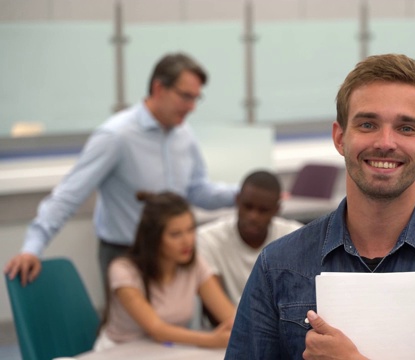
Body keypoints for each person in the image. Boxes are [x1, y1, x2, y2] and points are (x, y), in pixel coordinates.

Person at [226, 54, 415, 359]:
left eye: (406, 128)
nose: (385, 142)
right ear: (340, 138)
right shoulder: (278, 266)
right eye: (368, 124)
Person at [4, 52, 237, 286]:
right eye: (186, 97)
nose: (192, 107)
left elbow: (196, 191)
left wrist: (242, 195)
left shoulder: (184, 135)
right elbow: (68, 195)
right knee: (134, 324)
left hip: (173, 256)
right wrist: (32, 248)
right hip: (126, 257)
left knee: (179, 321)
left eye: (197, 98)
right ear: (159, 88)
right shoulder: (116, 136)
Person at [94, 191, 235, 351]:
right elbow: (156, 329)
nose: (187, 241)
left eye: (191, 230)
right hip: (119, 351)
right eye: (175, 234)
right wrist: (211, 339)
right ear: (153, 238)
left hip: (166, 349)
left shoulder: (195, 264)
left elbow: (230, 316)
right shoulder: (123, 271)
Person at [197, 170, 303, 306]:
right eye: (248, 207)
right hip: (228, 324)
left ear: (276, 210)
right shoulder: (208, 239)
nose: (253, 216)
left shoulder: (295, 238)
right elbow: (212, 305)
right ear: (237, 200)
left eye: (263, 210)